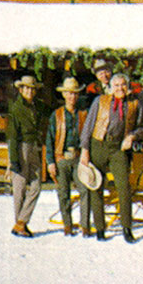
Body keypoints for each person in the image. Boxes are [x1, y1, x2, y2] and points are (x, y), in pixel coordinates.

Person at [80, 73, 143, 243]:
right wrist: (85, 150)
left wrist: (131, 136)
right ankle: (100, 228)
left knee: (124, 187)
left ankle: (126, 228)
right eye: (116, 85)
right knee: (96, 186)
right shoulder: (100, 101)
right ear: (111, 87)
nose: (120, 88)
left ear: (128, 86)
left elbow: (142, 128)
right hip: (98, 144)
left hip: (119, 148)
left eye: (123, 85)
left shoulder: (135, 104)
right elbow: (88, 125)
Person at [45, 77, 92, 237]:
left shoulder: (84, 115)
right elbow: (49, 140)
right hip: (62, 159)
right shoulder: (56, 115)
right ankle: (68, 225)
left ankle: (85, 226)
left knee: (85, 190)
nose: (72, 97)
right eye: (69, 93)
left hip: (79, 158)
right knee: (63, 193)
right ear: (64, 94)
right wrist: (50, 162)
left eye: (75, 94)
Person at [6, 75, 51, 238]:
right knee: (20, 187)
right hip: (20, 146)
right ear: (21, 89)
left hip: (33, 146)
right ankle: (20, 224)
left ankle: (20, 222)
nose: (30, 91)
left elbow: (49, 111)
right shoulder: (16, 108)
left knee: (36, 184)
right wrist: (14, 159)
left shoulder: (37, 106)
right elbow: (11, 135)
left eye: (32, 88)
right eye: (27, 88)